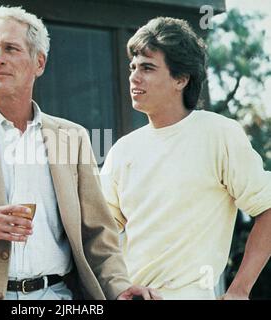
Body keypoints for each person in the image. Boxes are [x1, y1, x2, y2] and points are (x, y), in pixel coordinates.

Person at [0, 6, 161, 300]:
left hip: (57, 296)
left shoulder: (71, 138)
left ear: (39, 62)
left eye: (10, 49)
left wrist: (120, 287)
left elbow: (98, 236)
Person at [100, 17, 271, 300]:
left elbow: (268, 208)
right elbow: (100, 235)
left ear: (181, 79)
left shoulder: (218, 133)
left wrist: (239, 290)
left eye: (147, 68)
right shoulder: (122, 150)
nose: (134, 77)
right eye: (133, 67)